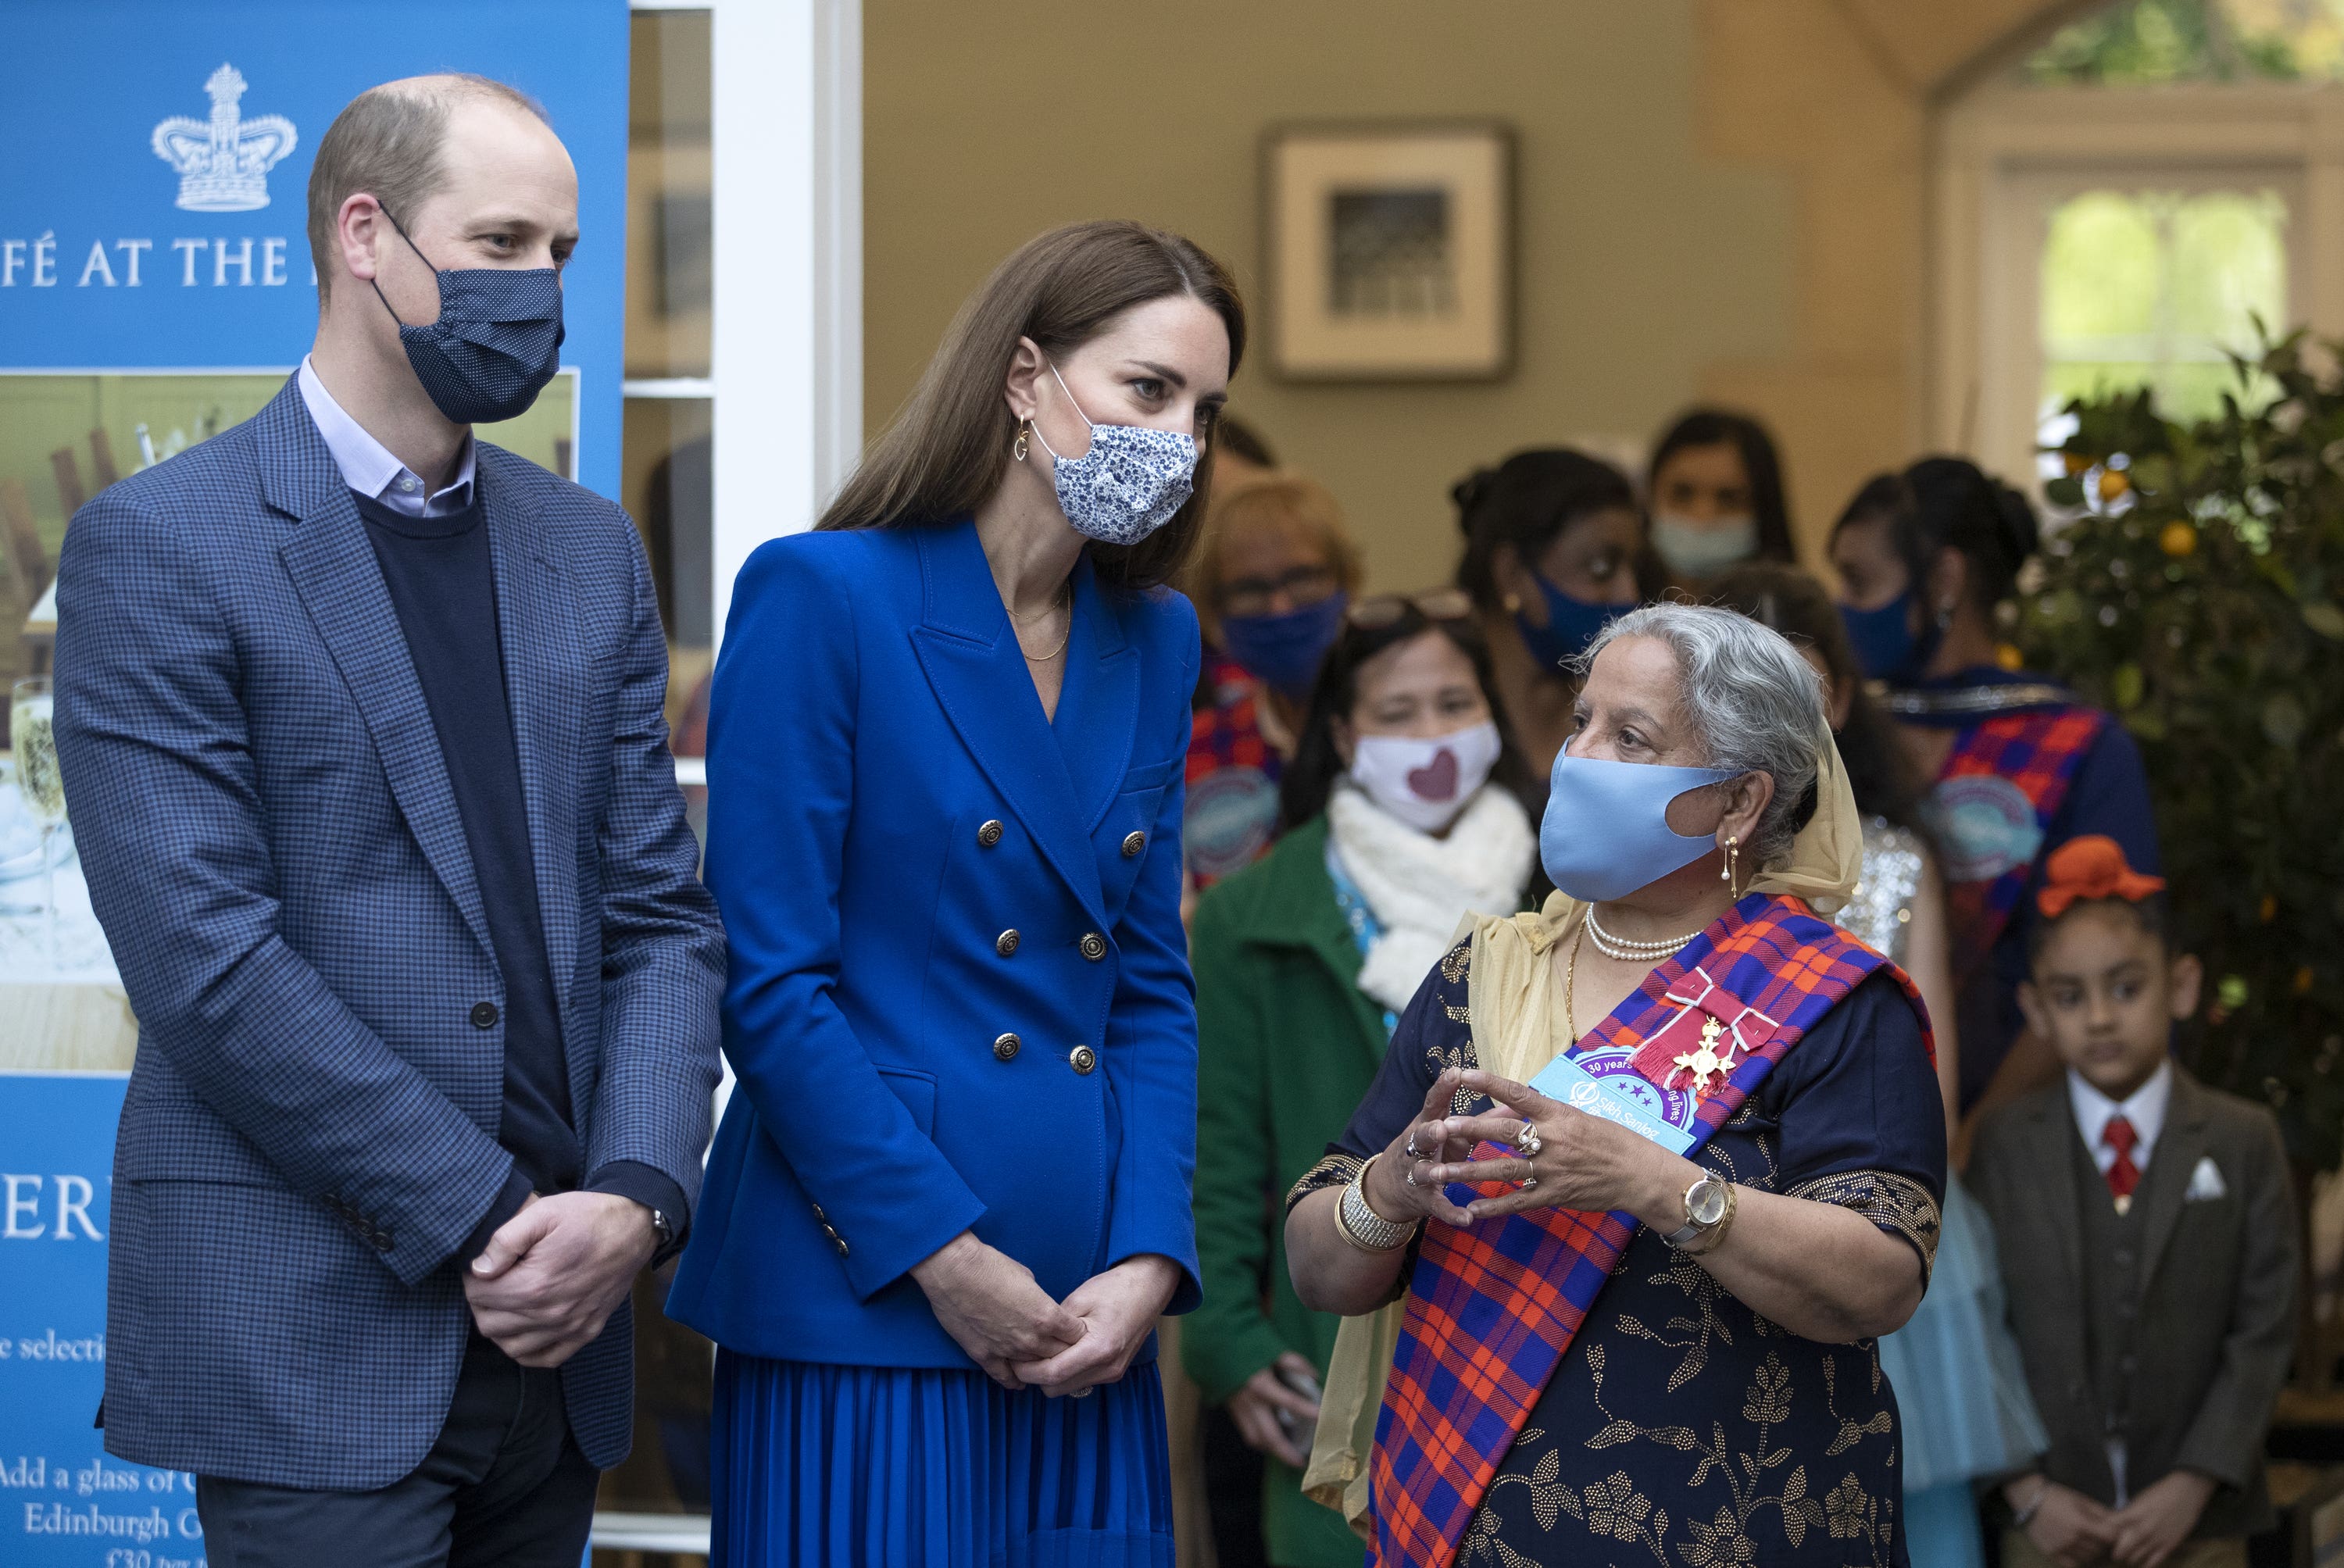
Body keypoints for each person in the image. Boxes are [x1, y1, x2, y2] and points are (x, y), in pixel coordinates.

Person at [51, 75, 724, 1566]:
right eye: (501, 239)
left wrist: (633, 1195)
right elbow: (202, 957)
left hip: (562, 1342)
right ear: (365, 234)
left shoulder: (585, 549)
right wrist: (494, 1214)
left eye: (561, 251)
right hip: (316, 1332)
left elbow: (662, 919)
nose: (542, 289)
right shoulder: (160, 545)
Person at [662, 220, 1239, 1567]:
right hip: (868, 1279)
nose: (1182, 440)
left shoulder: (1155, 636)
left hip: (1083, 1297)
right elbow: (770, 979)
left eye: (1206, 410)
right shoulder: (825, 593)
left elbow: (1149, 983)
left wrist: (1152, 1255)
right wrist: (941, 1252)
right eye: (1147, 391)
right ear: (1024, 375)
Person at [1288, 603, 1946, 1568]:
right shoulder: (1484, 974)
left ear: (1737, 803)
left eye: (1630, 738)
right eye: (1580, 722)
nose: (1580, 757)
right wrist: (1388, 1190)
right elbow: (1318, 1266)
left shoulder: (1830, 1001)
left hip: (1749, 1528)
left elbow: (1882, 1277)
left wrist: (1651, 1182)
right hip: (1480, 1526)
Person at [1186, 594, 1543, 1568]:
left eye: (1454, 703)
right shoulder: (1248, 918)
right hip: (1337, 1354)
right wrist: (1230, 1345)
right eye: (1397, 712)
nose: (1431, 736)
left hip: (1546, 1348)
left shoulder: (1576, 893)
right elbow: (1215, 1164)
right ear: (1342, 735)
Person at [1713, 562, 2049, 1568]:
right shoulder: (1683, 868)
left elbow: (1932, 1093)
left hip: (1873, 1211)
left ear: (1842, 702)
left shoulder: (1895, 863)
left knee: (1907, 1515)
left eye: (1799, 696)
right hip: (1704, 1230)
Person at [1971, 838, 2297, 1568]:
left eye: (2126, 988)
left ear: (2180, 986)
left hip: (2200, 1524)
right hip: (2049, 1523)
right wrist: (2025, 1490)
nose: (2100, 1018)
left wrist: (2196, 1479)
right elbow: (1980, 1323)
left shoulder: (2243, 1138)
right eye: (2069, 996)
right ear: (2037, 1009)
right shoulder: (2003, 1144)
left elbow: (2266, 1326)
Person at [1830, 459, 2159, 1127]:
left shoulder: (2081, 748)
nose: (1841, 611)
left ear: (1944, 579)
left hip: (2034, 1134)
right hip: (1847, 1121)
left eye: (1860, 584)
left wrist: (1972, 1138)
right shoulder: (1837, 730)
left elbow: (2111, 959)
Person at [1185, 473, 1365, 891]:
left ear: (1346, 582)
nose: (1281, 608)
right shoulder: (1198, 749)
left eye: (1301, 578)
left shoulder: (1399, 727)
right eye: (1251, 589)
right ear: (1216, 611)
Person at [1452, 448, 1649, 775]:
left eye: (1634, 569)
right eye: (1600, 568)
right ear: (1512, 574)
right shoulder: (1441, 728)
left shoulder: (1633, 730)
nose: (1630, 594)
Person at [1645, 406, 1798, 589]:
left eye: (1729, 499)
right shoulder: (1611, 609)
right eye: (1683, 494)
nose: (1702, 519)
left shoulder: (1801, 616)